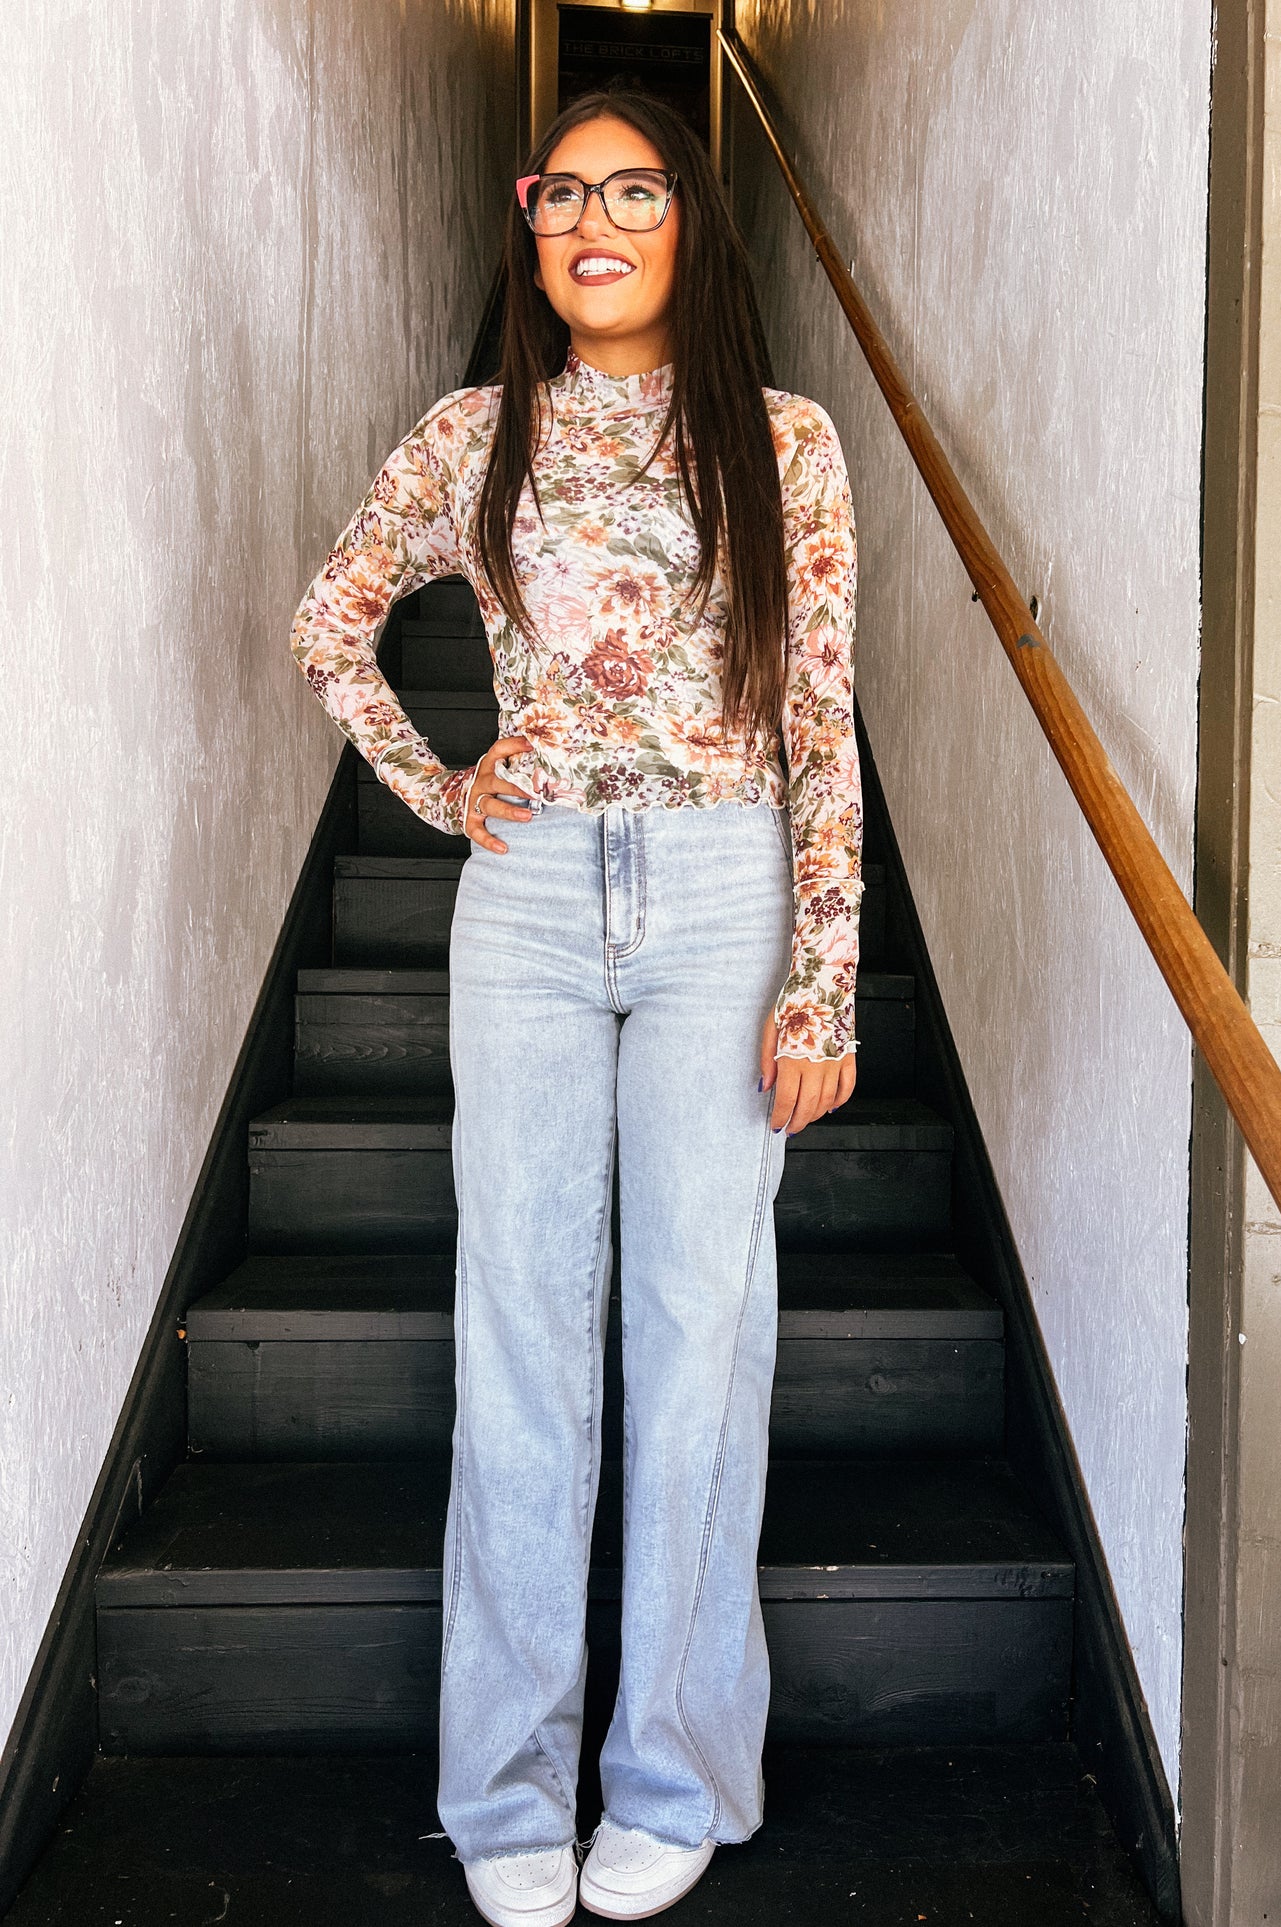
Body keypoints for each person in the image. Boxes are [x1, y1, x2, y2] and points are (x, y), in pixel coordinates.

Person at [289, 85, 860, 1927]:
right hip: (528, 902)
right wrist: (447, 788)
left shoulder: (784, 440)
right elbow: (331, 621)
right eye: (559, 195)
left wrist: (823, 981)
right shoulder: (474, 433)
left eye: (631, 190)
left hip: (719, 891)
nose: (588, 222)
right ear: (529, 229)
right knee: (522, 1342)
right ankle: (506, 1788)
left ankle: (673, 1777)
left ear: (693, 218)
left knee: (700, 1344)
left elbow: (818, 718)